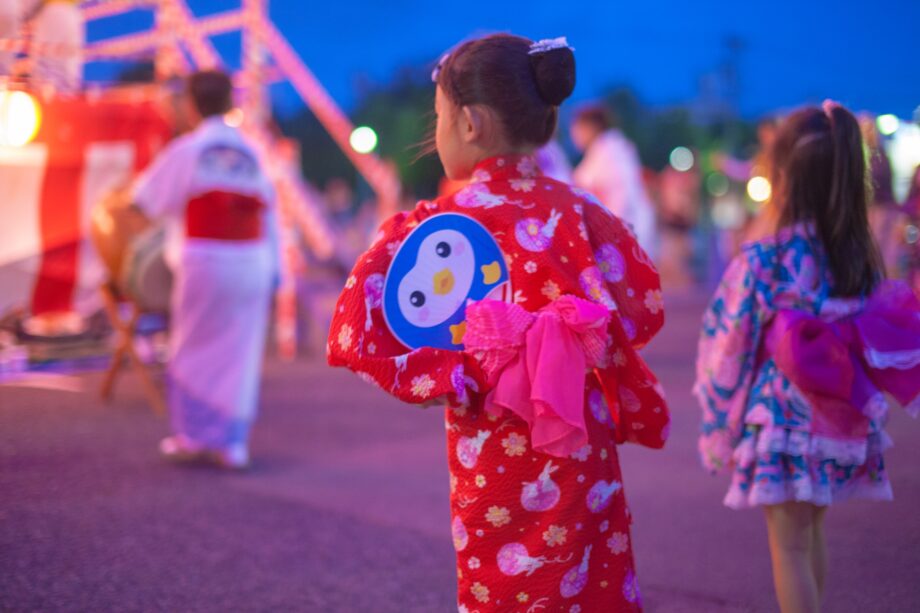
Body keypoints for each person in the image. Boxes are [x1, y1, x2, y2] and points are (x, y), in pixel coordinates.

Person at [327, 34, 669, 612]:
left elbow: (361, 321)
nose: (433, 134)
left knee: (502, 580)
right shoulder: (583, 213)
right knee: (588, 577)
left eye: (438, 117)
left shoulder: (438, 225)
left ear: (471, 123)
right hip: (580, 444)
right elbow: (643, 307)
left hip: (491, 455)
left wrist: (446, 374)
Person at [695, 102, 920, 613]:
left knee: (788, 545)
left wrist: (720, 408)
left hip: (782, 418)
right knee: (812, 531)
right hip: (837, 415)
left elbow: (730, 338)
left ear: (782, 175)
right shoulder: (857, 252)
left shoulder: (764, 257)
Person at [131, 70, 279, 469]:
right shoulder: (252, 153)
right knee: (240, 354)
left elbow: (144, 200)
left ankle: (192, 434)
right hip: (252, 262)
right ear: (231, 103)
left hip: (206, 261)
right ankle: (233, 442)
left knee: (191, 349)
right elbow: (271, 214)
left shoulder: (190, 149)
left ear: (191, 105)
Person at [570, 104, 657, 258]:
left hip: (621, 231)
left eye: (577, 128)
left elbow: (621, 195)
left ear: (590, 127)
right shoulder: (607, 150)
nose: (574, 135)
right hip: (621, 229)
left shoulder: (610, 152)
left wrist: (612, 233)